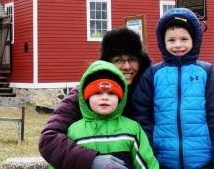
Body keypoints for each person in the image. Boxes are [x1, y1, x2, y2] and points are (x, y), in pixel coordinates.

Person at [131, 8, 214, 169]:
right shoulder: (153, 74)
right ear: (163, 42)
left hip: (204, 160)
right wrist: (148, 151)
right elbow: (142, 116)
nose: (178, 45)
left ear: (194, 40)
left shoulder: (208, 72)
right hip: (162, 160)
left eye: (184, 39)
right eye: (171, 40)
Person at [39, 28, 151, 169]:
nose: (127, 66)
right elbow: (49, 139)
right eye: (118, 60)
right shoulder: (84, 94)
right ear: (107, 63)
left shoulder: (149, 87)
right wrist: (91, 160)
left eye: (133, 59)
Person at [48, 60, 159, 169]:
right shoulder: (74, 131)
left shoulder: (132, 129)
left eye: (111, 93)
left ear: (120, 98)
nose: (105, 97)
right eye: (97, 93)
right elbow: (62, 163)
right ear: (86, 98)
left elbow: (146, 163)